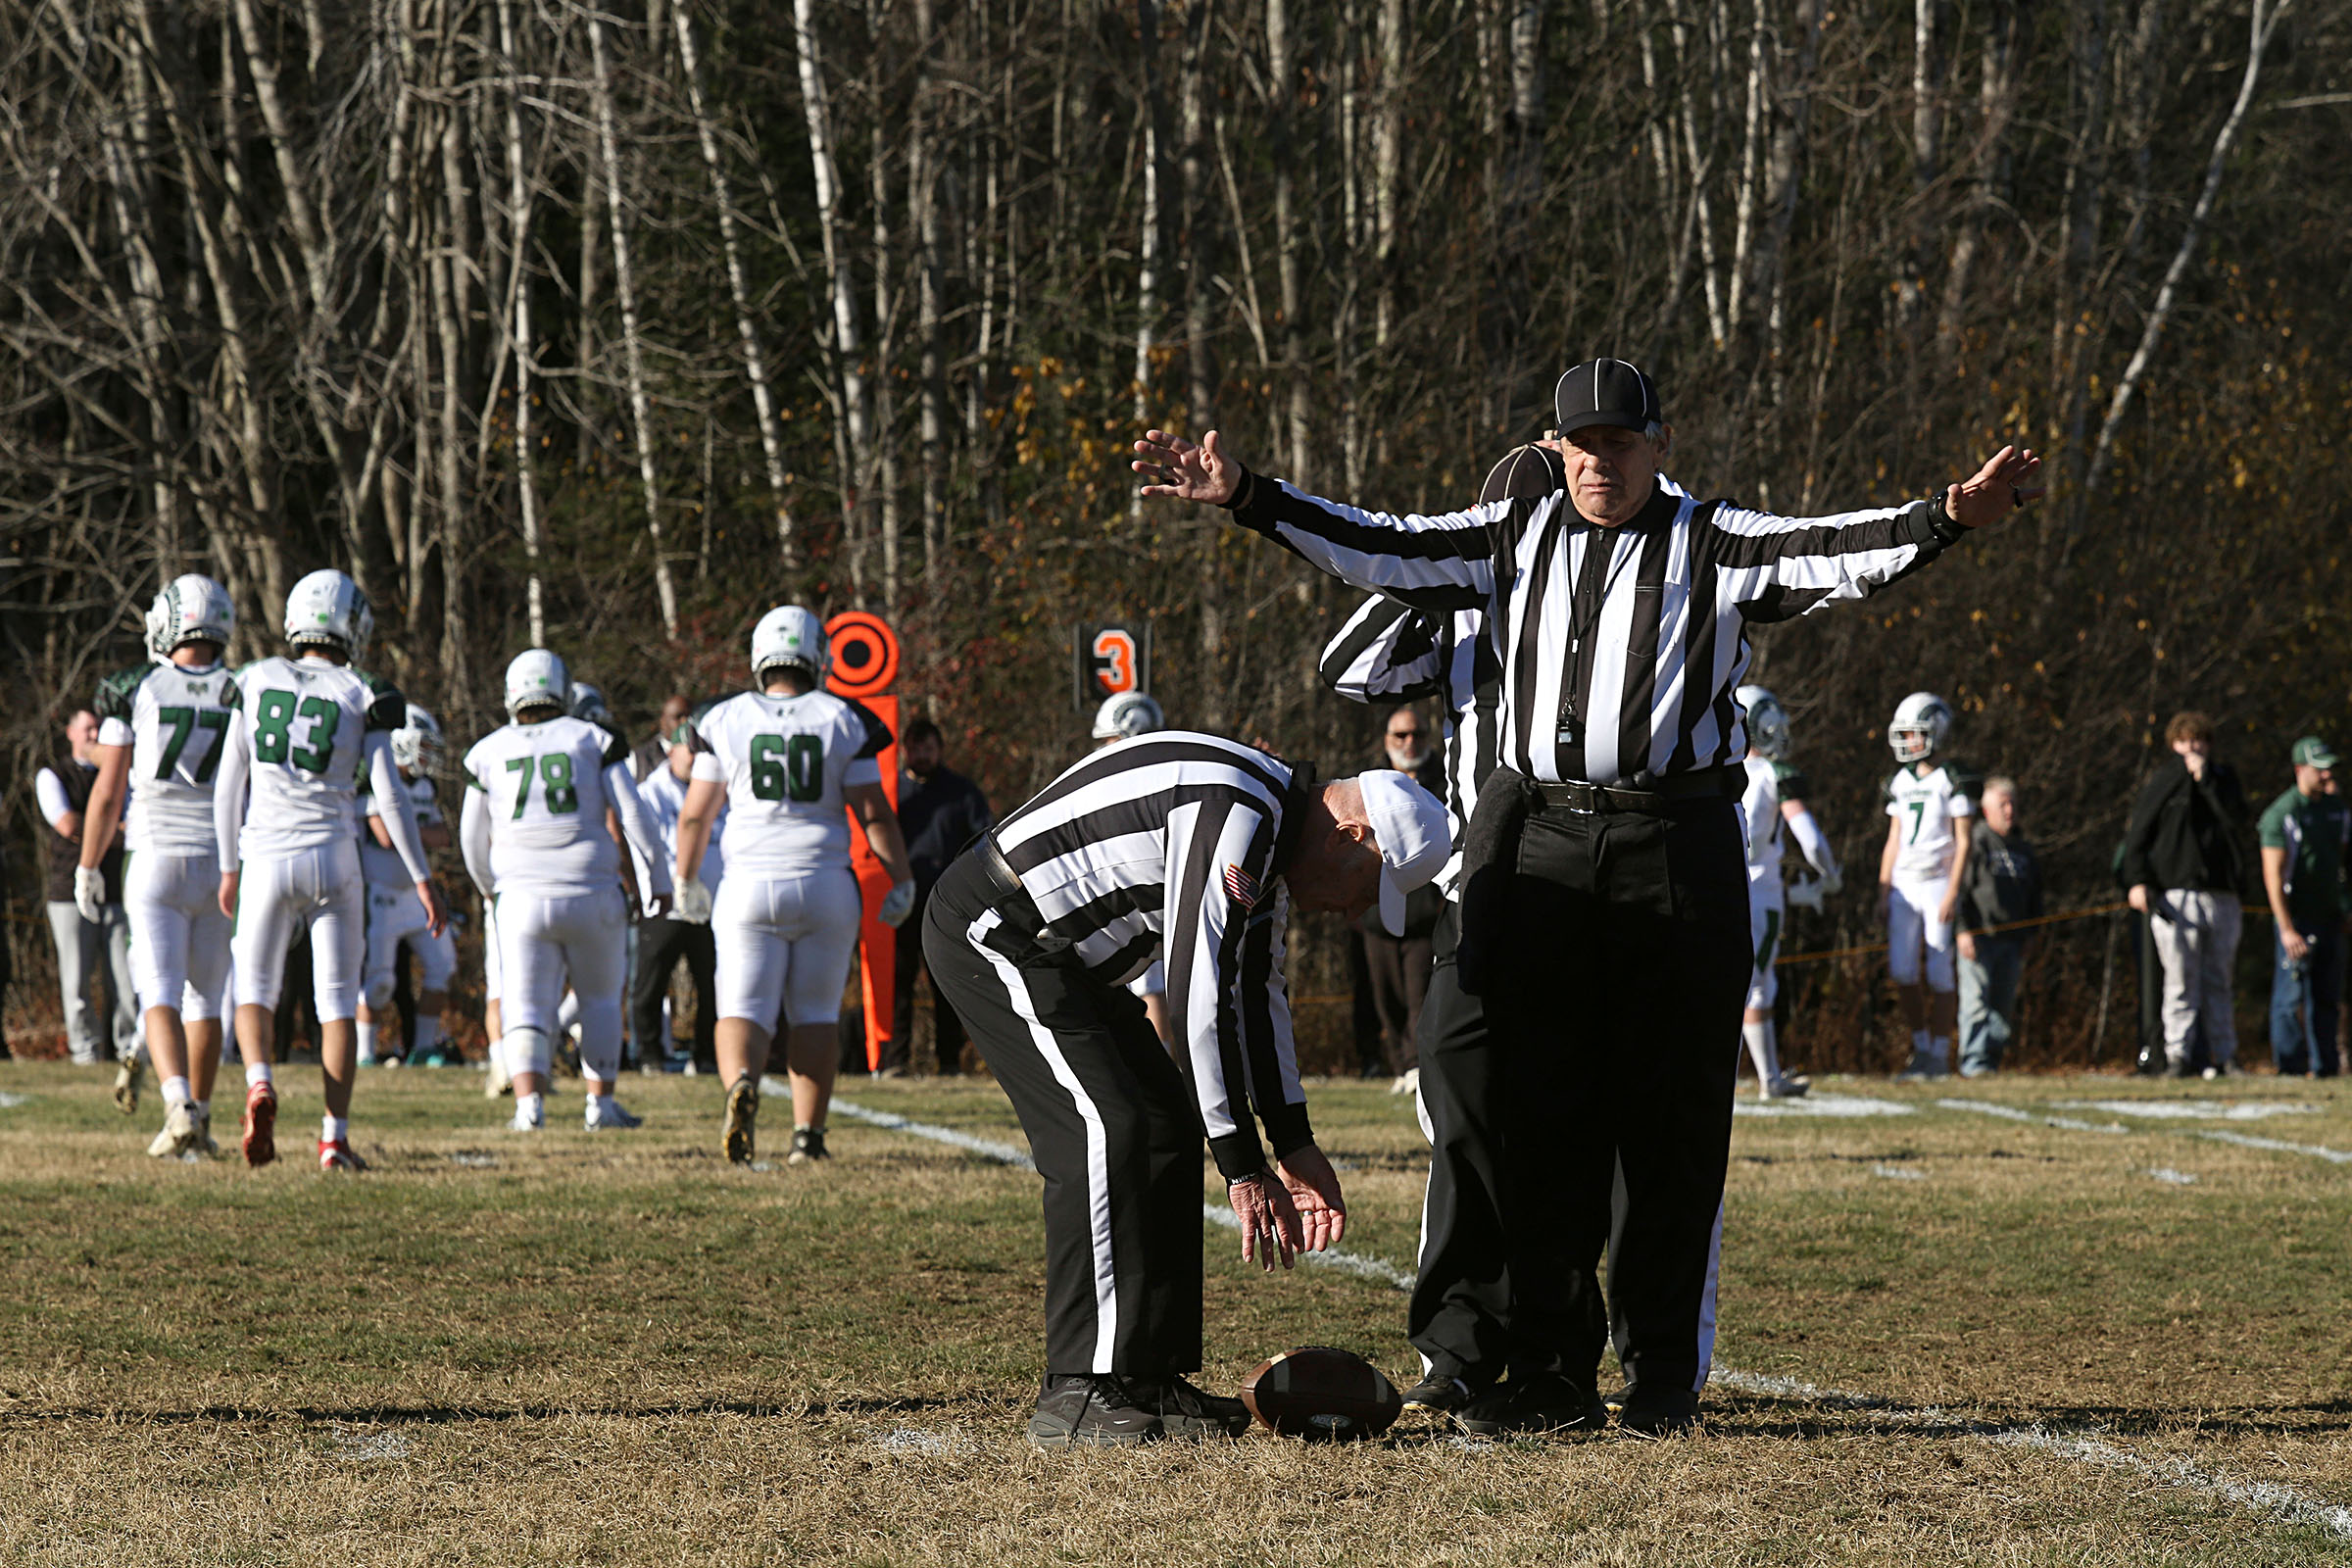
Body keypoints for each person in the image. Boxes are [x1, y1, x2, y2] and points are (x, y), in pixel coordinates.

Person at [1136, 356, 2041, 1435]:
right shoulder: (1514, 536)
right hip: (1544, 840)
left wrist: (1945, 516)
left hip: (1676, 838)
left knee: (1672, 1116)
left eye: (1618, 442)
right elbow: (1375, 541)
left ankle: (1660, 1369)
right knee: (1541, 1116)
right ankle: (1547, 1369)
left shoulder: (1712, 539)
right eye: (1580, 443)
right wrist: (1249, 498)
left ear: (1659, 444)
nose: (1598, 462)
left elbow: (1833, 549)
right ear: (1555, 449)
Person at [923, 732, 1449, 1446]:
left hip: (1070, 959)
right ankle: (1080, 1389)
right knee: (1104, 1129)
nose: (1356, 912)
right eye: (1368, 887)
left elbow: (1256, 996)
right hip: (1000, 929)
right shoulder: (1241, 815)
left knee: (1165, 1120)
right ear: (1352, 836)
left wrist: (1292, 1144)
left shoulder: (1271, 828)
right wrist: (1242, 1166)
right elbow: (1200, 994)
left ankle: (1147, 1377)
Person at [1316, 441, 1548, 1420]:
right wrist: (1440, 559)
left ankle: (1566, 1344)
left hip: (1599, 893)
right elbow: (1349, 668)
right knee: (1457, 1110)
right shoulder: (1468, 614)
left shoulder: (1624, 601)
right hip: (1483, 894)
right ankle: (1457, 1344)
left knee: (1580, 1130)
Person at [214, 568, 446, 1171]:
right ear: (354, 626)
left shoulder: (255, 678)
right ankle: (332, 1138)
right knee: (336, 1002)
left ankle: (260, 1081)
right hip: (333, 856)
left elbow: (227, 783)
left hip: (265, 853)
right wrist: (422, 878)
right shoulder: (362, 690)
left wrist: (226, 865)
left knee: (255, 989)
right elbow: (389, 795)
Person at [673, 606, 917, 1166]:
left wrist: (684, 878)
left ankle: (740, 1083)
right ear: (819, 655)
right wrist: (901, 877)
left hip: (748, 885)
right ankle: (808, 1137)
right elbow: (873, 813)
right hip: (825, 883)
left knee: (742, 1006)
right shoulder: (842, 718)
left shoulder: (724, 719)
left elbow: (694, 817)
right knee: (815, 1012)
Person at [461, 649, 670, 1132]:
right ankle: (601, 1106)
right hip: (590, 889)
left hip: (521, 896)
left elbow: (471, 838)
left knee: (525, 1001)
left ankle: (528, 1107)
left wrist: (491, 889)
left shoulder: (488, 749)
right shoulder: (592, 738)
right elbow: (633, 811)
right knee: (599, 999)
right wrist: (656, 877)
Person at [78, 575, 240, 1155]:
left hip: (155, 854)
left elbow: (107, 790)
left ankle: (177, 1105)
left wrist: (89, 863)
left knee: (159, 993)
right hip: (222, 861)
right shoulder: (242, 688)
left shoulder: (136, 687)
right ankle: (199, 1120)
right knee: (206, 999)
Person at [2124, 711, 2251, 1079]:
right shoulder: (2163, 781)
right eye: (2185, 741)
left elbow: (2236, 821)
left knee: (2219, 981)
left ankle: (2225, 1055)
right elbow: (2139, 835)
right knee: (2180, 981)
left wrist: (2207, 782)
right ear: (2173, 744)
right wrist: (2137, 880)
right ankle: (2176, 1055)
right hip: (2176, 895)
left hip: (2221, 894)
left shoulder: (2224, 781)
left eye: (2199, 741)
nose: (2192, 748)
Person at [1735, 685, 1840, 1099]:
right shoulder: (1772, 776)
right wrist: (1829, 875)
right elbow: (1810, 840)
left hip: (1719, 888)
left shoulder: (1710, 771)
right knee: (1755, 986)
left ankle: (1770, 1077)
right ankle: (1765, 1081)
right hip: (1760, 894)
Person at [885, 717, 993, 1075]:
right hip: (899, 903)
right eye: (915, 748)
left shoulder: (961, 793)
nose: (921, 755)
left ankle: (949, 1062)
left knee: (946, 984)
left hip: (947, 905)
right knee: (896, 984)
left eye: (928, 748)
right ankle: (895, 1062)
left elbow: (984, 840)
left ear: (940, 750)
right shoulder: (891, 794)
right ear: (904, 750)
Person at [1878, 693, 1977, 1081]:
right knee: (1903, 971)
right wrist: (1883, 889)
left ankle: (1938, 1053)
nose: (1907, 740)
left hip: (1937, 881)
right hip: (1905, 882)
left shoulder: (1951, 778)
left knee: (1940, 972)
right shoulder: (1899, 781)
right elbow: (1894, 839)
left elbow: (1964, 841)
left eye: (1914, 733)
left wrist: (1953, 891)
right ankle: (1920, 1048)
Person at [36, 708, 139, 1076]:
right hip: (68, 892)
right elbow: (66, 823)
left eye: (99, 727)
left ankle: (129, 1050)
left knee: (125, 979)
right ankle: (85, 1053)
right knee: (76, 978)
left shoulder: (120, 774)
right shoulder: (53, 775)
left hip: (115, 891)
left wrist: (103, 826)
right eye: (87, 728)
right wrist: (110, 826)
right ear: (71, 732)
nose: (94, 734)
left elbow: (134, 823)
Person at [357, 706, 458, 1068]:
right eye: (422, 746)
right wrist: (414, 832)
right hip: (379, 892)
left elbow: (443, 835)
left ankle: (423, 1048)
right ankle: (364, 1053)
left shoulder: (424, 786)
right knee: (380, 982)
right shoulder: (372, 779)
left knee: (442, 966)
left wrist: (407, 828)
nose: (427, 755)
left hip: (415, 895)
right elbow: (385, 837)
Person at [1357, 705, 1446, 1092]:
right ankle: (1400, 1065)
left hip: (1426, 909)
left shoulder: (1446, 778)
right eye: (1401, 735)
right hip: (1376, 909)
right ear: (1386, 740)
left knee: (1419, 991)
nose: (1410, 742)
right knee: (1385, 995)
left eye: (1417, 734)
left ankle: (1419, 1065)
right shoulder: (1367, 783)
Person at [631, 712, 722, 1075]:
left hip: (708, 903)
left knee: (712, 984)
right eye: (690, 750)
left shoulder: (717, 788)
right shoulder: (650, 792)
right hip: (667, 903)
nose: (697, 758)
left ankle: (706, 1055)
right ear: (672, 752)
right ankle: (650, 1055)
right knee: (651, 982)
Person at [1089, 693, 1178, 1048]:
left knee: (1149, 988)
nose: (1103, 748)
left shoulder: (1144, 781)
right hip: (1125, 892)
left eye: (1109, 739)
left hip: (1142, 893)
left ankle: (1164, 1074)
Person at [2259, 737, 2348, 1078]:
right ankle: (2290, 1069)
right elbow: (2273, 875)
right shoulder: (2282, 814)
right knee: (2290, 996)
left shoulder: (2336, 810)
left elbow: (2340, 865)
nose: (2327, 776)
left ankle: (2325, 1067)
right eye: (2319, 769)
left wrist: (2344, 907)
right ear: (2300, 770)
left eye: (2329, 769)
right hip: (2297, 918)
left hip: (2329, 917)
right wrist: (2286, 928)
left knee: (2327, 997)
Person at [1955, 775, 2043, 1077]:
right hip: (1980, 937)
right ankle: (1973, 1063)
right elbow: (1962, 890)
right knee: (1976, 1003)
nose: (2009, 811)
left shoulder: (2023, 848)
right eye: (2002, 804)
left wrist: (2032, 933)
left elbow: (2035, 893)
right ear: (1986, 809)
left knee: (2001, 1007)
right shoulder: (1976, 842)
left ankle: (1991, 1062)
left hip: (2013, 939)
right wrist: (1963, 929)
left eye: (2013, 804)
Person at [633, 695, 695, 783]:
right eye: (678, 717)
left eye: (689, 716)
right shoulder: (639, 758)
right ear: (663, 722)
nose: (685, 721)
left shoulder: (704, 750)